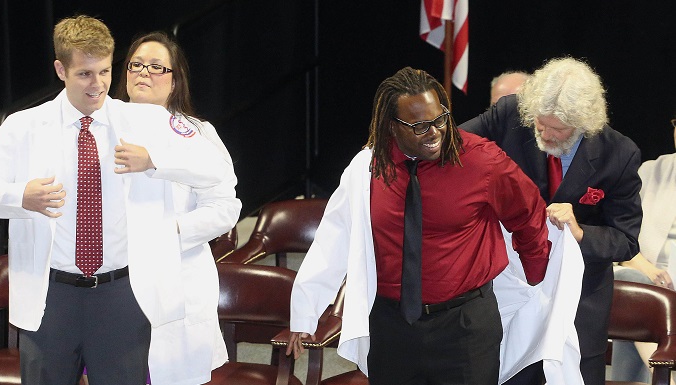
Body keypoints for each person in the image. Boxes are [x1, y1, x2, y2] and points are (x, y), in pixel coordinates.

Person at [0, 15, 233, 385]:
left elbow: (217, 171)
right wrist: (19, 196)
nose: (98, 84)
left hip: (122, 294)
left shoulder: (143, 120)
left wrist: (156, 161)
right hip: (51, 296)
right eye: (85, 74)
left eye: (105, 72)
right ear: (61, 69)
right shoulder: (26, 126)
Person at [286, 67, 551, 385]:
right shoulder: (368, 167)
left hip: (466, 325)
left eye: (440, 119)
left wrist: (536, 283)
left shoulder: (483, 162)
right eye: (420, 126)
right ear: (391, 126)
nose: (436, 132)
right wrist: (305, 312)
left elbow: (528, 217)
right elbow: (334, 240)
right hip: (390, 325)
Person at [461, 57, 643, 385]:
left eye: (556, 129)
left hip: (579, 304)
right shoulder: (510, 114)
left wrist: (580, 232)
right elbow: (454, 145)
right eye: (539, 124)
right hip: (511, 289)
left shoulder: (620, 154)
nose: (544, 134)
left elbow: (626, 240)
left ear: (584, 123)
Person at [113, 31, 240, 385]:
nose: (143, 73)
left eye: (156, 67)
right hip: (114, 284)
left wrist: (172, 233)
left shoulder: (197, 134)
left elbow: (225, 207)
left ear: (174, 81)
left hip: (178, 277)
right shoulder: (100, 129)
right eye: (136, 65)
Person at [610, 117, 676, 383]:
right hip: (646, 279)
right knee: (631, 284)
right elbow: (622, 239)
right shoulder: (651, 171)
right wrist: (646, 269)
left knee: (639, 308)